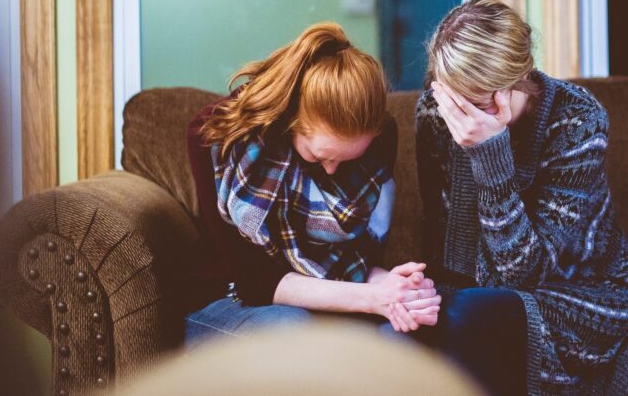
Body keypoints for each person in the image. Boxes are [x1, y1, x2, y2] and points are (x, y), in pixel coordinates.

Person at [415, 0, 628, 396]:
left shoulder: (577, 120)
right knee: (412, 327)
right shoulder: (437, 113)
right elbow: (443, 243)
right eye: (453, 97)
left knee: (469, 315)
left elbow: (523, 276)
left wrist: (491, 155)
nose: (461, 115)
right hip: (473, 293)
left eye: (478, 100)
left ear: (517, 79)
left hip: (578, 293)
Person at [185, 22, 440, 347]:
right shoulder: (215, 137)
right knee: (295, 331)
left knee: (404, 336)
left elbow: (356, 262)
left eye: (346, 160)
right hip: (230, 299)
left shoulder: (379, 140)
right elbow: (254, 282)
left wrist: (397, 288)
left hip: (328, 296)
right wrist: (373, 298)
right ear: (290, 122)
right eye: (319, 157)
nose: (333, 172)